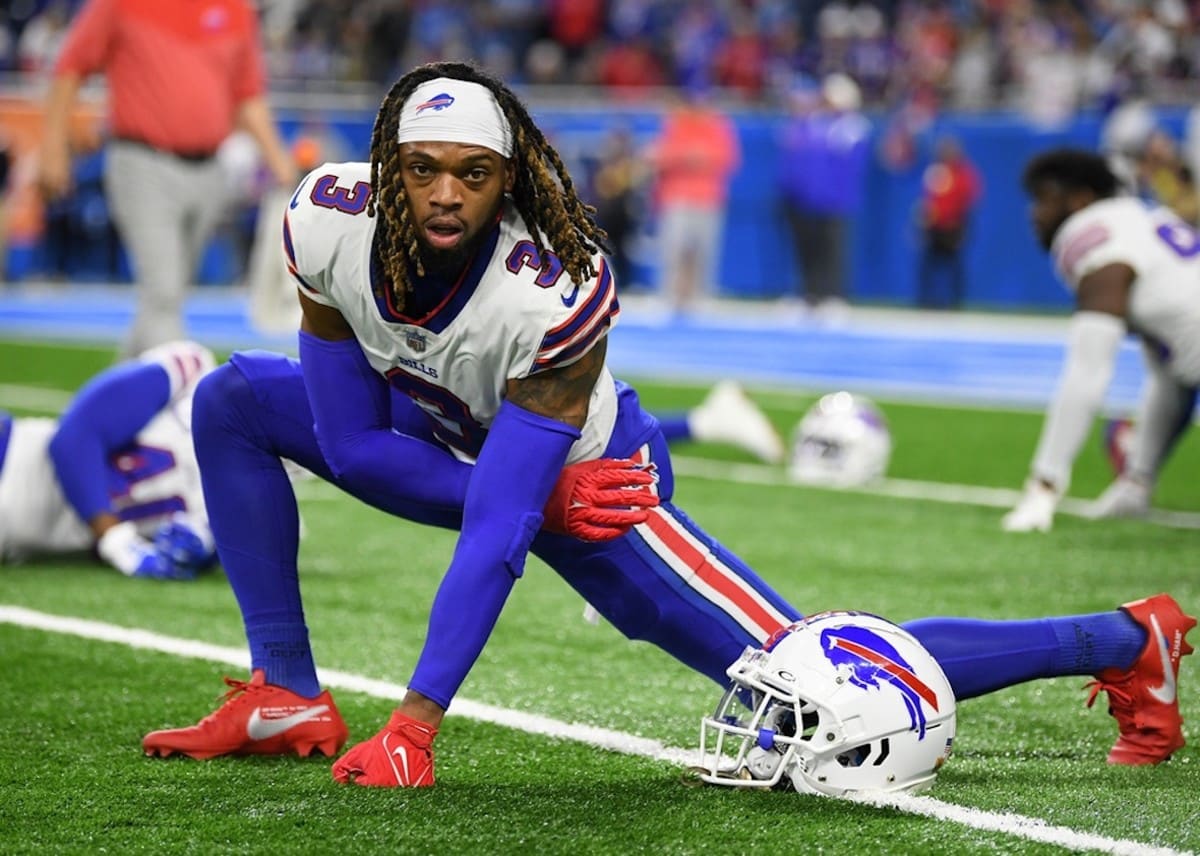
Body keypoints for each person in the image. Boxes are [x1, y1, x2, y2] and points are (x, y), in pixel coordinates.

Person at [141, 64, 1194, 787]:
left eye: (474, 173)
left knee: (814, 687)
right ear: (386, 167)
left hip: (594, 483)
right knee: (233, 399)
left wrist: (415, 724)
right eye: (422, 170)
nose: (444, 196)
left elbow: (503, 530)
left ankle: (1123, 636)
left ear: (513, 178)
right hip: (461, 454)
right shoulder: (326, 218)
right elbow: (357, 442)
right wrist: (515, 494)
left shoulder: (552, 287)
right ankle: (285, 690)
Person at [36, 0, 297, 358]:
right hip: (142, 161)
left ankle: (120, 401)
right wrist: (53, 147)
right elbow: (70, 67)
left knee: (165, 299)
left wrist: (277, 158)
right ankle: (178, 398)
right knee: (164, 293)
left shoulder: (235, 10)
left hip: (209, 170)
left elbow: (246, 94)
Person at [1003, 148, 1200, 532]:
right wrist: (1137, 480)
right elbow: (1174, 373)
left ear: (1080, 200)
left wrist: (1044, 484)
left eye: (1044, 198)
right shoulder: (1145, 218)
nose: (1035, 213)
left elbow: (1088, 370)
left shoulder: (1093, 235)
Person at [0, 340, 218, 579]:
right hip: (13, 456)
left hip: (18, 536)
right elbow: (74, 439)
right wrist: (116, 540)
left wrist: (200, 549)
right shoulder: (195, 377)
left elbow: (193, 548)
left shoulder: (249, 506)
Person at [778, 74, 872, 315]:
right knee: (807, 250)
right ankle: (809, 295)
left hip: (835, 200)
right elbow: (794, 148)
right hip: (806, 200)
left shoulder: (852, 126)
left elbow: (847, 157)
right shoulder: (812, 123)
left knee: (832, 251)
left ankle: (834, 297)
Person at [647, 84, 741, 315]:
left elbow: (726, 159)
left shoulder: (719, 126)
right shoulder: (676, 124)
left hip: (708, 198)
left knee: (704, 251)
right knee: (673, 249)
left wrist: (690, 156)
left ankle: (699, 297)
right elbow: (660, 155)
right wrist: (690, 156)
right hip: (677, 197)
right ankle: (669, 296)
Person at [916, 136, 981, 309]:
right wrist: (923, 221)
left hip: (953, 227)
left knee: (954, 266)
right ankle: (927, 301)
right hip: (935, 226)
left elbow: (969, 200)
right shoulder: (935, 171)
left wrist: (961, 224)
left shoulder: (964, 173)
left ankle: (955, 302)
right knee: (929, 266)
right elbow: (928, 200)